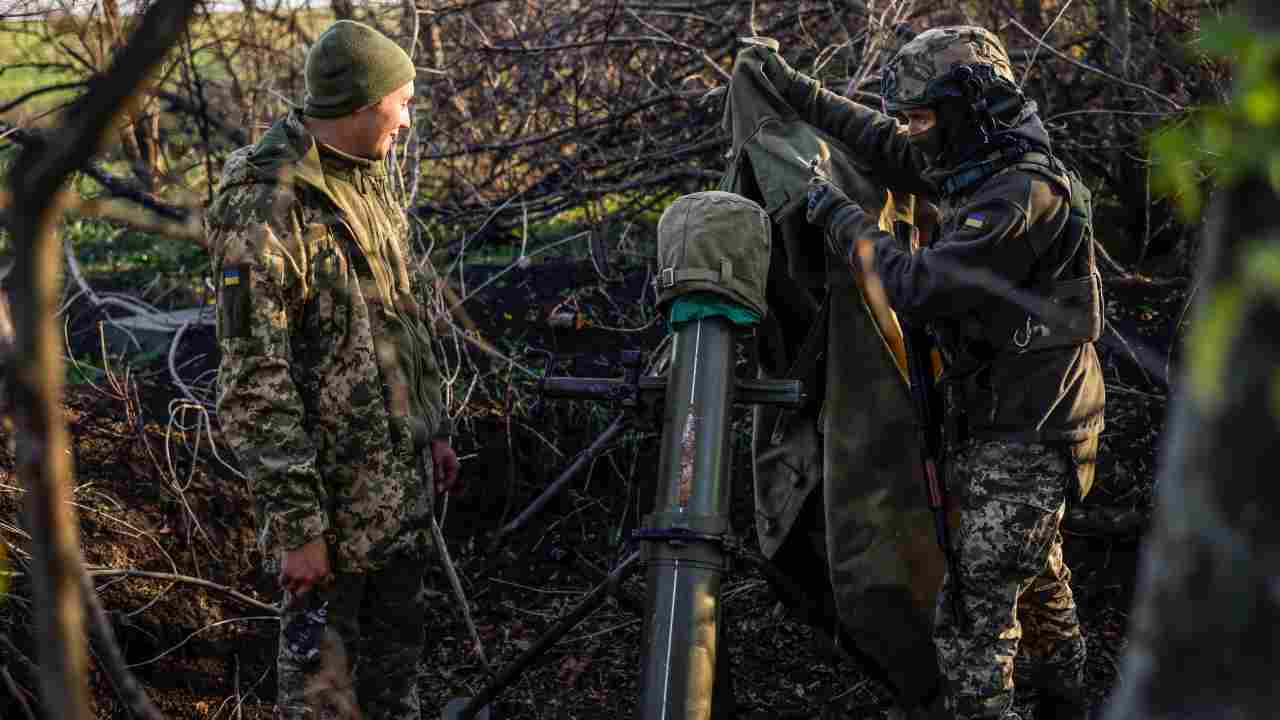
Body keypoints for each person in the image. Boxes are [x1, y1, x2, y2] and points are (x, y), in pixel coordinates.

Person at [757, 26, 1104, 720]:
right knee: (1037, 581)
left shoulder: (1019, 194)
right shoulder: (980, 158)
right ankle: (1072, 702)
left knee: (975, 621)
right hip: (1022, 418)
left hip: (1030, 433)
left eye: (922, 115)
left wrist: (845, 221)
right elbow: (885, 143)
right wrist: (792, 86)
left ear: (969, 108)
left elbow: (918, 287)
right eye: (909, 115)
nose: (911, 131)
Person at [208, 19, 460, 719]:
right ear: (359, 105)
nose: (406, 121)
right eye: (401, 103)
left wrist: (432, 428)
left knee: (394, 689)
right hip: (330, 515)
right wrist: (298, 528)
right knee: (324, 699)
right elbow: (253, 380)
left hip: (395, 498)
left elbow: (401, 313)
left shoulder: (367, 176)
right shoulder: (264, 205)